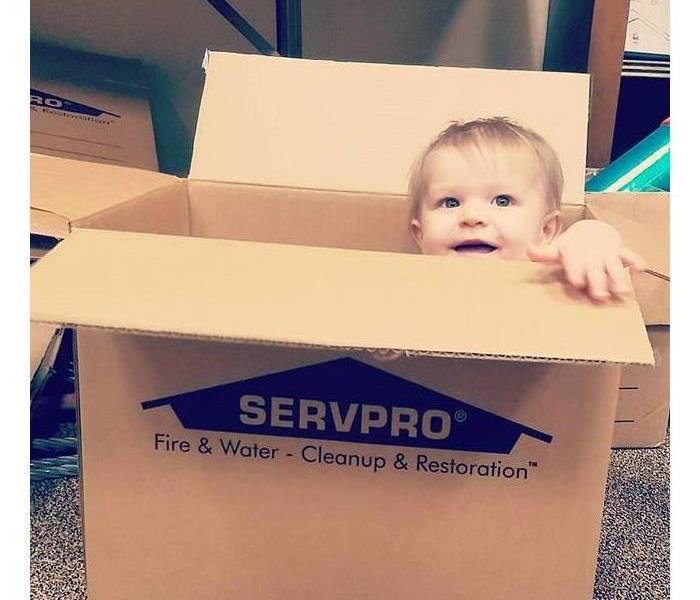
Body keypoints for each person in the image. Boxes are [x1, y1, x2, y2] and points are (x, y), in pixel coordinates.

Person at [408, 117, 646, 302]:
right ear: (419, 234)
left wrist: (591, 236)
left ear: (546, 230)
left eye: (502, 200)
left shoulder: (548, 275)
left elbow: (592, 239)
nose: (471, 217)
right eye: (451, 202)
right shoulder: (406, 291)